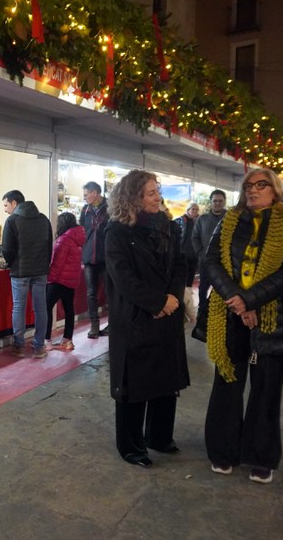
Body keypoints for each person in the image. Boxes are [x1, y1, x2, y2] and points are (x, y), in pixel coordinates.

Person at [203, 169, 283, 484]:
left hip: (272, 319)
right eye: (248, 185)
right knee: (227, 385)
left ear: (275, 190)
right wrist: (237, 300)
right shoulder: (229, 220)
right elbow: (211, 261)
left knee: (267, 389)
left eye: (261, 184)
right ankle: (223, 450)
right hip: (229, 316)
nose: (253, 190)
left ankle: (260, 456)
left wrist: (251, 300)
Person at [105, 169, 189, 468]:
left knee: (165, 380)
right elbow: (123, 278)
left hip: (167, 313)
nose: (158, 198)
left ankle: (159, 436)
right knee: (134, 386)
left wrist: (172, 299)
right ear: (133, 198)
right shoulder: (116, 231)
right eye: (151, 193)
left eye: (158, 192)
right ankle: (131, 445)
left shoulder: (167, 226)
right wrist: (157, 302)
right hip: (135, 318)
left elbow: (180, 264)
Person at [1, 190, 53, 358]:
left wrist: (12, 264)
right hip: (40, 271)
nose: (5, 209)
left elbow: (6, 249)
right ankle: (39, 346)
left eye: (6, 205)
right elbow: (49, 246)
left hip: (20, 272)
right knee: (40, 308)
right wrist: (44, 265)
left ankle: (19, 345)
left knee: (19, 307)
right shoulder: (43, 219)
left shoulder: (12, 221)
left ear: (14, 203)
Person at [44, 212, 85, 351]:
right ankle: (68, 340)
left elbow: (57, 263)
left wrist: (50, 278)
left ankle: (46, 339)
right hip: (71, 280)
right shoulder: (77, 239)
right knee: (69, 309)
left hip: (58, 280)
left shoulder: (64, 239)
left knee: (46, 307)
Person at [191, 189, 227, 340]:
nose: (217, 203)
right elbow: (195, 237)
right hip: (205, 262)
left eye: (220, 201)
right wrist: (200, 254)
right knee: (203, 289)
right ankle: (202, 317)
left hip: (224, 264)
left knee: (223, 290)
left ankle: (223, 317)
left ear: (224, 202)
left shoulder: (230, 219)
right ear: (210, 202)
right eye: (215, 201)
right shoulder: (202, 219)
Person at [79, 181, 110, 338]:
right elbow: (82, 231)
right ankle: (94, 325)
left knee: (110, 292)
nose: (84, 198)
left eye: (86, 194)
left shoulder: (110, 208)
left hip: (106, 258)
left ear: (94, 193)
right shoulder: (85, 210)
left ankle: (112, 324)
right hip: (89, 258)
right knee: (91, 293)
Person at [175, 202, 200, 289]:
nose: (195, 211)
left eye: (197, 209)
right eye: (193, 209)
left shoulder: (199, 221)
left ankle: (188, 291)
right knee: (182, 274)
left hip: (194, 253)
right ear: (188, 210)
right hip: (183, 252)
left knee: (191, 275)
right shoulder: (180, 220)